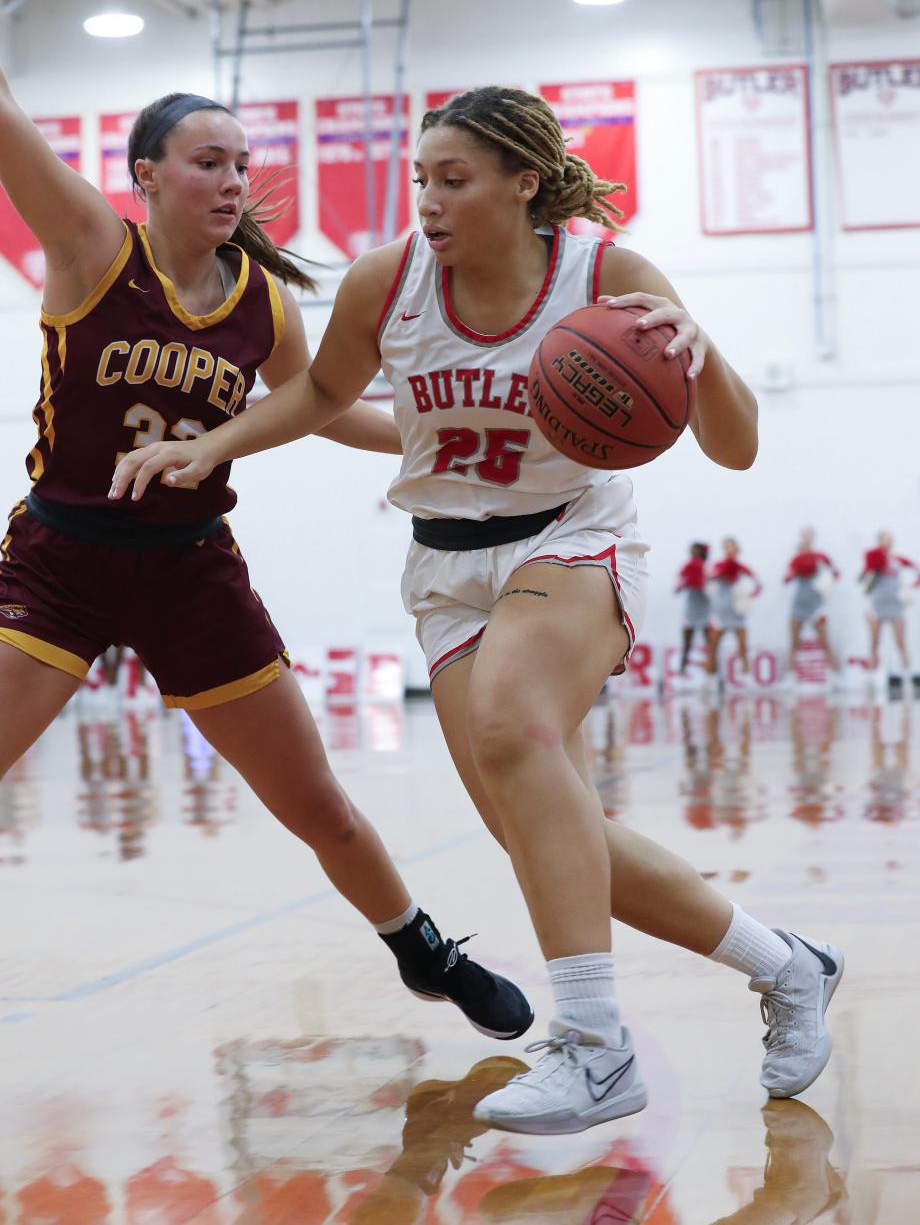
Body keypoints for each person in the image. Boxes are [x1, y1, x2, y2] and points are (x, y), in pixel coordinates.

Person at [111, 85, 845, 1135]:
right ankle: (790, 964)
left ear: (523, 184)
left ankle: (595, 1044)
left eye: (453, 181)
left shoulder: (607, 279)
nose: (429, 202)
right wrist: (209, 444)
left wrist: (702, 347)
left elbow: (735, 445)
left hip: (572, 538)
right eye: (420, 179)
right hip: (446, 568)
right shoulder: (389, 283)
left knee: (510, 723)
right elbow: (320, 394)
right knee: (546, 830)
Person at [0, 75, 534, 1042]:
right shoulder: (90, 244)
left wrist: (447, 416)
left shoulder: (263, 305)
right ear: (147, 178)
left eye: (243, 165)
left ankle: (423, 948)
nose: (234, 181)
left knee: (318, 804)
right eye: (210, 163)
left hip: (189, 569)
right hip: (59, 560)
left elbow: (326, 409)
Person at [859, 531, 920, 683]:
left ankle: (907, 676)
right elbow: (862, 579)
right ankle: (872, 677)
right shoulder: (873, 559)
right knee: (874, 641)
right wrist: (871, 570)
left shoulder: (898, 560)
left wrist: (910, 589)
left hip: (895, 605)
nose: (887, 542)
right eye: (884, 539)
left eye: (890, 540)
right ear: (879, 541)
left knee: (901, 641)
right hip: (878, 603)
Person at [783, 528, 841, 683]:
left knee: (825, 641)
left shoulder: (821, 557)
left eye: (809, 535)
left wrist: (826, 581)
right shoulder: (795, 558)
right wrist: (794, 572)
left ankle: (835, 676)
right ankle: (789, 678)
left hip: (817, 604)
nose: (807, 538)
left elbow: (836, 573)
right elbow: (786, 578)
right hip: (799, 603)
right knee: (794, 642)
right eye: (804, 535)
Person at [707, 537, 762, 684]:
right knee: (713, 646)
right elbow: (708, 580)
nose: (729, 550)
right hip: (721, 612)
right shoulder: (718, 566)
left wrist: (750, 597)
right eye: (726, 547)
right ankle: (710, 678)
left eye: (731, 547)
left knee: (743, 646)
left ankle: (745, 677)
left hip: (737, 613)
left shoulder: (741, 567)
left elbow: (758, 584)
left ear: (737, 549)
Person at [675, 540, 711, 681]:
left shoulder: (707, 568)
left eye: (696, 551)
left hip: (705, 609)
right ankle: (682, 673)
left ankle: (712, 674)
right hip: (691, 610)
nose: (693, 553)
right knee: (687, 643)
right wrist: (686, 582)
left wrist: (702, 584)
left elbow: (711, 588)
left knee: (710, 644)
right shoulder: (688, 567)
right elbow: (678, 585)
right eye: (692, 551)